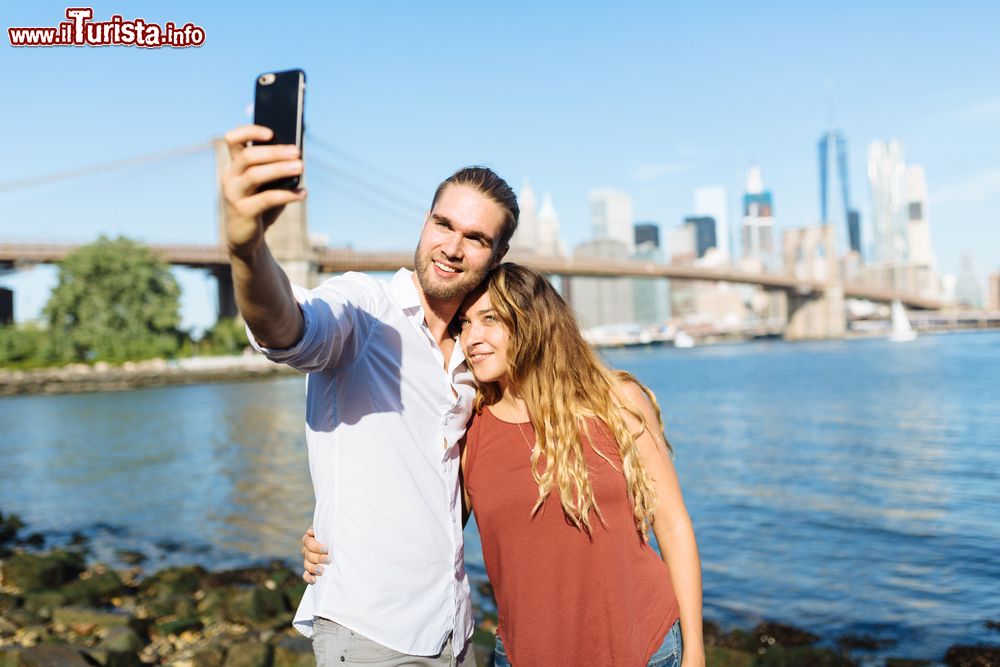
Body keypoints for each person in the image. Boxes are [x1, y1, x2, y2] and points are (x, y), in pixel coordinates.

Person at [304, 263, 705, 667]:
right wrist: (334, 538)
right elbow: (431, 529)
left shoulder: (616, 401)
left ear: (533, 322)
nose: (471, 338)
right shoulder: (472, 427)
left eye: (490, 319)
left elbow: (672, 525)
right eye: (464, 324)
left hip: (648, 647)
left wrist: (696, 652)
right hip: (526, 655)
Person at [221, 123, 519, 666]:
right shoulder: (363, 309)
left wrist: (340, 519)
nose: (451, 248)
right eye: (443, 224)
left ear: (496, 255)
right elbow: (286, 329)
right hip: (370, 634)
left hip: (454, 631)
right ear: (424, 223)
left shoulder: (476, 360)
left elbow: (448, 488)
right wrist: (246, 248)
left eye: (475, 238)